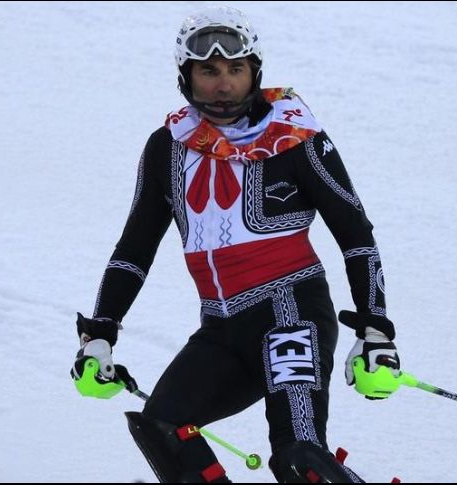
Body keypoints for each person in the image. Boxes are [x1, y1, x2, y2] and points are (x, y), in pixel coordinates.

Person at [70, 6, 400, 483]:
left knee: (298, 455)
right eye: (208, 71)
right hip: (222, 331)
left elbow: (355, 235)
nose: (223, 84)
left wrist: (375, 330)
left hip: (292, 315)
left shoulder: (297, 137)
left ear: (254, 72)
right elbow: (134, 250)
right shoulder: (167, 147)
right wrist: (99, 334)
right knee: (162, 424)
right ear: (186, 76)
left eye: (235, 69)